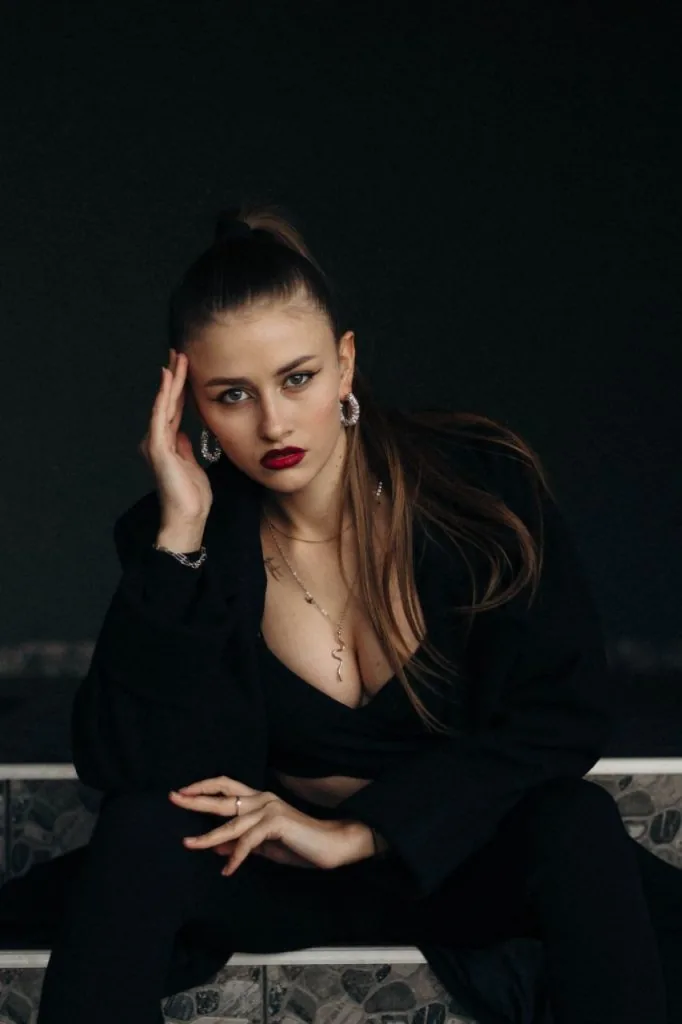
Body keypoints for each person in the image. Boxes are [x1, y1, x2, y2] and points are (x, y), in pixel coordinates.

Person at [2, 202, 681, 1024]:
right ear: (189, 405)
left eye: (298, 378)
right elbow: (131, 765)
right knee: (140, 829)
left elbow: (561, 719)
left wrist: (363, 833)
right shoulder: (181, 537)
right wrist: (180, 542)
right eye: (232, 395)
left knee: (576, 823)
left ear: (346, 362)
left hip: (456, 857)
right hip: (273, 875)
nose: (274, 423)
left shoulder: (479, 489)